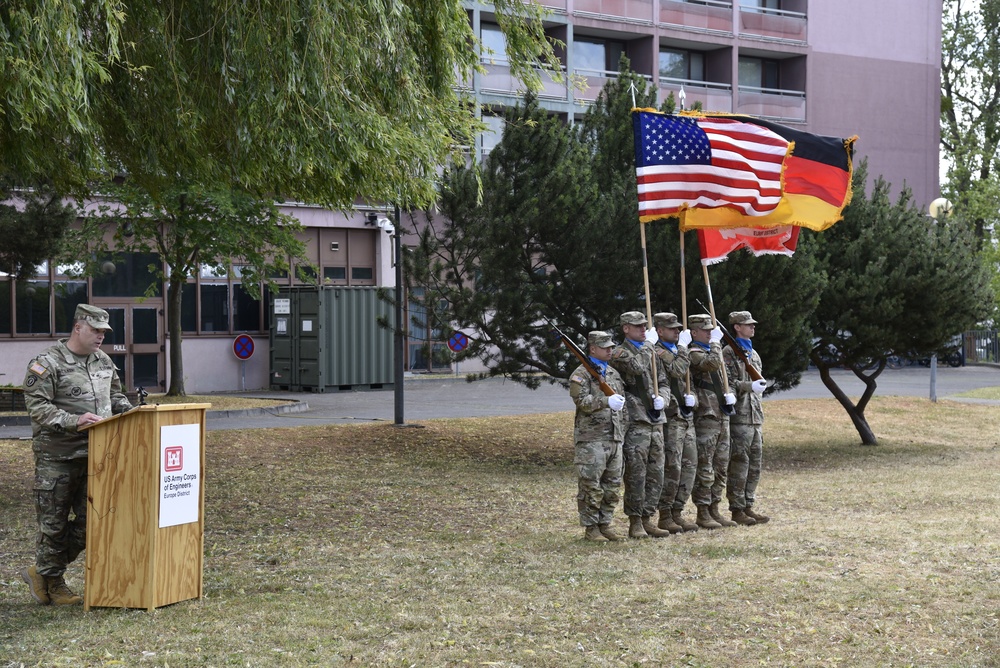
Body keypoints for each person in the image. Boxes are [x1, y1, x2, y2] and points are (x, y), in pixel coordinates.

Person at [20, 304, 132, 605]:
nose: (100, 337)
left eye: (104, 332)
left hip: (98, 456)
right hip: (58, 457)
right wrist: (74, 421)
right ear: (78, 327)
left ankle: (42, 572)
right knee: (53, 525)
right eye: (95, 330)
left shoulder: (103, 361)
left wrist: (134, 413)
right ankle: (54, 583)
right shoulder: (47, 363)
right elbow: (38, 408)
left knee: (92, 524)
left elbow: (116, 396)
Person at [610, 311, 671, 539]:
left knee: (656, 472)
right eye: (638, 326)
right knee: (637, 473)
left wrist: (662, 399)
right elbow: (635, 367)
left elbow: (663, 382)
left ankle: (648, 517)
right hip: (636, 421)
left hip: (656, 420)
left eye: (645, 326)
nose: (643, 330)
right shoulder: (619, 352)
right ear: (626, 328)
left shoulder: (651, 351)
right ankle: (635, 520)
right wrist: (648, 345)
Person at [569, 331, 628, 541]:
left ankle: (605, 523)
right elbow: (582, 402)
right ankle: (591, 527)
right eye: (605, 347)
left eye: (611, 347)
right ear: (592, 348)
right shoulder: (581, 374)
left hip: (614, 437)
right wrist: (605, 401)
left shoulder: (612, 373)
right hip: (591, 438)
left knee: (611, 486)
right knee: (590, 486)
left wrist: (623, 431)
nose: (610, 350)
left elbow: (622, 406)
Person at [687, 313, 736, 530]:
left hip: (722, 414)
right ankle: (703, 510)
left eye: (711, 330)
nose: (709, 333)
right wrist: (716, 342)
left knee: (721, 466)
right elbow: (712, 364)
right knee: (705, 467)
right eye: (705, 330)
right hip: (706, 416)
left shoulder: (710, 349)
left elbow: (727, 379)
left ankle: (715, 507)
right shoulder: (693, 353)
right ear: (694, 332)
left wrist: (730, 393)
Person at [652, 312, 700, 533]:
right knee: (673, 467)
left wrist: (694, 400)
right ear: (660, 331)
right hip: (671, 419)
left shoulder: (675, 351)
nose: (677, 331)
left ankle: (677, 512)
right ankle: (665, 514)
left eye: (678, 328)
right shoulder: (657, 351)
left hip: (685, 416)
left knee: (689, 467)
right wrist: (683, 347)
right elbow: (678, 369)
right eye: (672, 328)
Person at [723, 311, 771, 525]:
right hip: (740, 418)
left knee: (754, 464)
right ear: (736, 327)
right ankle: (737, 508)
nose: (752, 328)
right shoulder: (728, 353)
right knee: (739, 464)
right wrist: (747, 386)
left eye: (753, 324)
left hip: (755, 417)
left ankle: (748, 504)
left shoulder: (754, 354)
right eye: (747, 325)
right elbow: (727, 385)